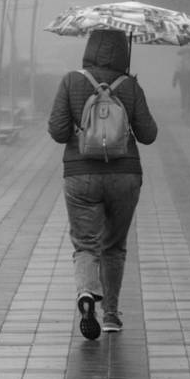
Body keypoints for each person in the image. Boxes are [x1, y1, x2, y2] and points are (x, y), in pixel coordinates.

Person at [47, 28, 158, 339]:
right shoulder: (130, 85)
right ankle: (110, 315)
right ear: (122, 51)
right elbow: (149, 135)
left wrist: (81, 128)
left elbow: (57, 131)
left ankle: (86, 292)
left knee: (86, 244)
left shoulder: (71, 81)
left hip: (80, 175)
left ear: (89, 47)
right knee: (114, 245)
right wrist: (128, 93)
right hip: (125, 176)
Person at [171, 53, 190, 118]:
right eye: (185, 55)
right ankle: (184, 110)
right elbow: (177, 72)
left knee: (188, 96)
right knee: (185, 96)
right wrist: (174, 81)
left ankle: (187, 110)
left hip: (189, 82)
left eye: (188, 54)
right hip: (184, 82)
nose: (187, 56)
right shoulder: (182, 63)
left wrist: (174, 81)